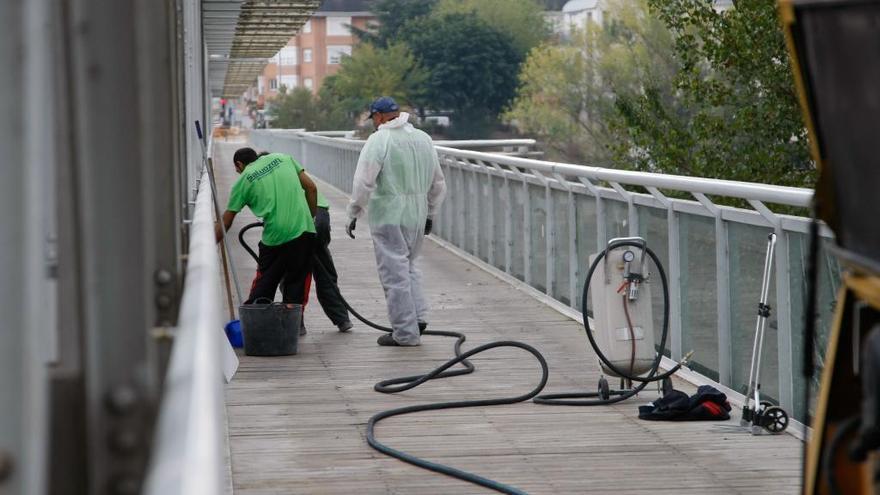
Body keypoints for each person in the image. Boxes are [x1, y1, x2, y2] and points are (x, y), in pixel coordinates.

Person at [346, 96, 447, 346]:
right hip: (417, 214)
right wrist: (430, 214)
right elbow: (438, 183)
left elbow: (363, 182)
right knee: (410, 266)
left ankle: (405, 333)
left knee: (394, 275)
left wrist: (353, 212)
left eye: (373, 119)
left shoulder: (379, 140)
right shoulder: (423, 139)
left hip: (388, 215)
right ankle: (419, 318)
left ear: (379, 117)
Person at [216, 147, 317, 334]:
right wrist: (309, 218)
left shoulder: (244, 180)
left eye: (237, 169)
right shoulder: (283, 157)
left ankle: (255, 323)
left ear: (239, 164)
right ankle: (293, 326)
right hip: (304, 230)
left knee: (266, 280)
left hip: (275, 236)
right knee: (297, 280)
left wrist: (209, 242)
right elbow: (311, 188)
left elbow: (227, 221)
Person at [256, 151, 353, 333]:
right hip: (320, 214)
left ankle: (296, 322)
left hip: (301, 220)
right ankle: (342, 319)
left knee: (292, 271)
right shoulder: (287, 166)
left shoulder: (263, 177)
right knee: (324, 270)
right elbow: (312, 189)